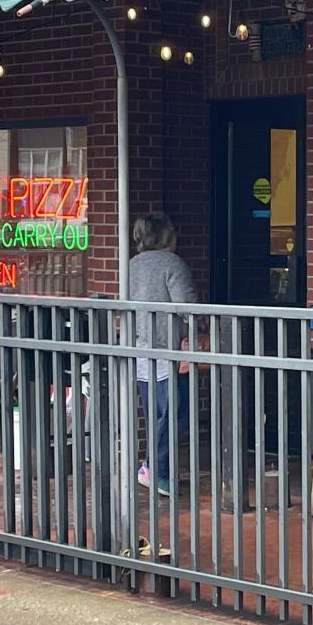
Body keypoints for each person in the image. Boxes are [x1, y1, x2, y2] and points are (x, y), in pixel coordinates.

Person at [130, 213, 197, 497]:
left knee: (157, 415)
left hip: (139, 348)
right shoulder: (173, 264)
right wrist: (195, 338)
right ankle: (155, 469)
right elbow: (188, 307)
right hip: (168, 349)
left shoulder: (132, 265)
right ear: (167, 236)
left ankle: (157, 470)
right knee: (177, 414)